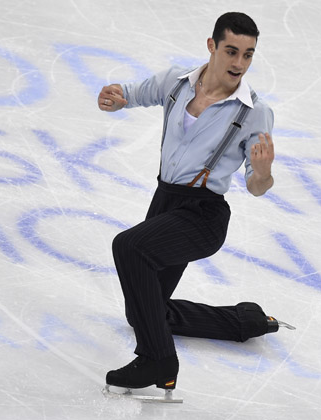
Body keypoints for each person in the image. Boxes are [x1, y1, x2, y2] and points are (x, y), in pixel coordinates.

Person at [97, 12, 293, 394]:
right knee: (143, 312)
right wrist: (117, 95)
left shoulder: (253, 112)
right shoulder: (178, 83)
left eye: (248, 55)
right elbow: (136, 92)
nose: (239, 63)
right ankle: (244, 321)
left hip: (202, 215)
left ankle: (159, 361)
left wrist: (264, 172)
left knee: (129, 247)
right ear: (212, 46)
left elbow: (256, 186)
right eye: (232, 51)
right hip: (165, 202)